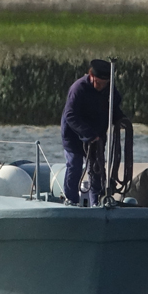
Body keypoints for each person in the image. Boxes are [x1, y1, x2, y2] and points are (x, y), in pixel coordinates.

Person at [60, 58, 126, 206]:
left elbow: (113, 108)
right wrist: (88, 134)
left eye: (105, 84)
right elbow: (70, 115)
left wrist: (121, 119)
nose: (101, 87)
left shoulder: (109, 90)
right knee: (74, 166)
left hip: (97, 137)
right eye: (98, 83)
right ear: (91, 76)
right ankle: (71, 200)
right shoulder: (78, 89)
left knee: (96, 170)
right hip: (74, 136)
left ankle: (96, 202)